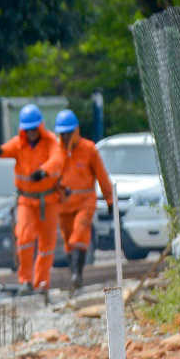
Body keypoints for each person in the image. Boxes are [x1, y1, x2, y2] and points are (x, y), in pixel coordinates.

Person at [0, 104, 65, 295]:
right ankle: (25, 281)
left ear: (39, 127)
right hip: (26, 201)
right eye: (28, 129)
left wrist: (43, 171)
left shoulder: (51, 143)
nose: (31, 133)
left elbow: (57, 160)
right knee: (24, 238)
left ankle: (41, 283)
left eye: (34, 129)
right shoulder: (19, 144)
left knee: (47, 245)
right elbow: (6, 149)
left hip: (48, 201)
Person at [54, 109, 112, 291]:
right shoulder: (55, 152)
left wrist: (109, 199)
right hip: (63, 204)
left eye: (68, 132)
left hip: (85, 201)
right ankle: (74, 275)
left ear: (76, 130)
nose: (65, 137)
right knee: (68, 240)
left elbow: (101, 175)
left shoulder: (88, 149)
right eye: (62, 133)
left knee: (79, 235)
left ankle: (77, 274)